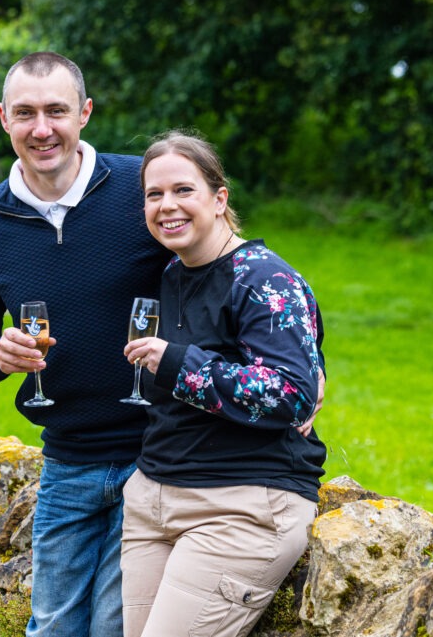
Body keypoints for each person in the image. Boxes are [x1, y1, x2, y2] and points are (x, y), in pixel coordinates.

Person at [0, 52, 170, 637]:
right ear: (3, 119)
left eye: (56, 111)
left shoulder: (143, 188)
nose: (41, 128)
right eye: (25, 113)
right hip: (67, 460)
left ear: (85, 113)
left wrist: (306, 357)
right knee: (52, 627)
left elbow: (239, 266)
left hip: (156, 455)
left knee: (114, 628)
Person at [120, 131, 327, 637]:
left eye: (183, 190)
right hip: (153, 501)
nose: (167, 205)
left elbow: (291, 394)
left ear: (219, 198)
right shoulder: (171, 271)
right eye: (154, 194)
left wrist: (177, 363)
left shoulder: (262, 277)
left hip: (240, 505)